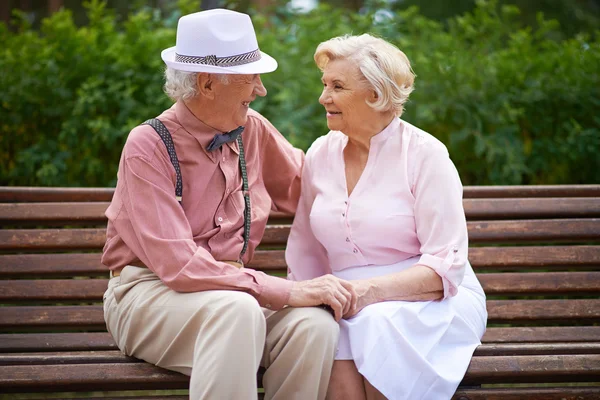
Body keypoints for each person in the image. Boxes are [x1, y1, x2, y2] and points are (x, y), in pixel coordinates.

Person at [102, 9, 357, 400]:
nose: (260, 89)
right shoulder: (147, 146)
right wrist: (286, 290)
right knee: (237, 312)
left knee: (315, 326)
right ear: (206, 83)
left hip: (233, 297)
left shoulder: (251, 129)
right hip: (148, 295)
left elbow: (309, 187)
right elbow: (178, 265)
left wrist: (387, 165)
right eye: (249, 77)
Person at [285, 33, 488, 400]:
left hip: (431, 300)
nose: (323, 98)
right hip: (347, 301)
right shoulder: (319, 154)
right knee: (329, 330)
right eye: (324, 85)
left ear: (376, 95)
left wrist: (365, 293)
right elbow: (306, 248)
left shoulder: (425, 154)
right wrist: (309, 297)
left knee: (375, 324)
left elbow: (445, 266)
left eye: (337, 86)